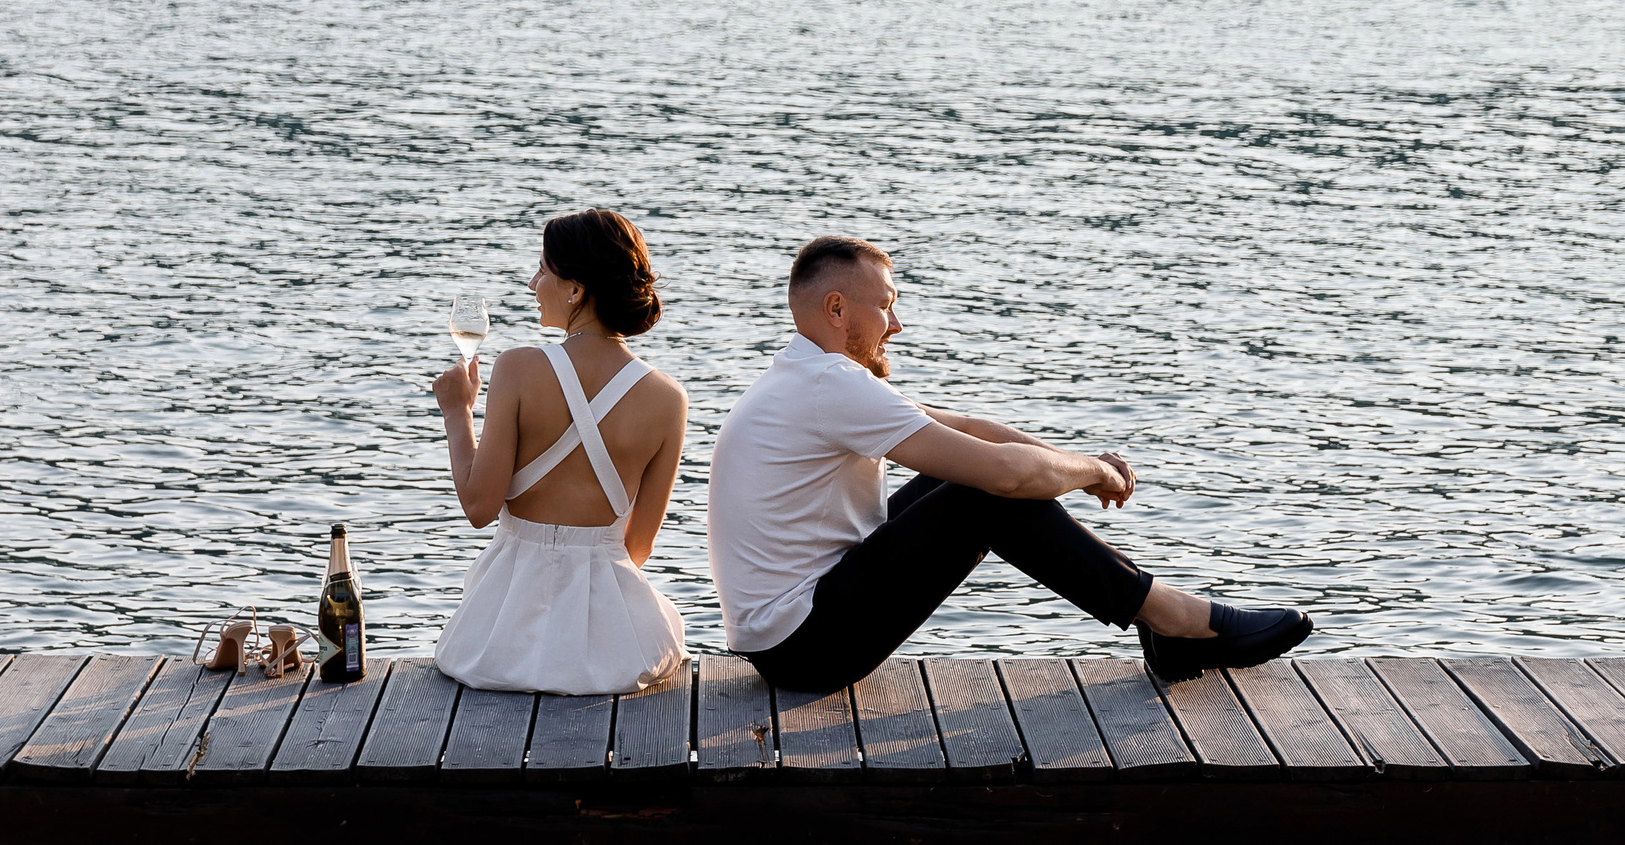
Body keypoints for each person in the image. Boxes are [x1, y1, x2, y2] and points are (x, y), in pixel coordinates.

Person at [707, 235, 1311, 693]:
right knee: (984, 493)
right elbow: (1004, 475)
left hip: (794, 631)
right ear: (837, 310)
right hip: (807, 649)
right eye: (886, 306)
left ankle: (1163, 623)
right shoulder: (829, 385)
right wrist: (1091, 473)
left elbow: (965, 430)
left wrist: (1078, 461)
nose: (897, 323)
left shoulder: (806, 377)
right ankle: (1173, 618)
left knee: (960, 472)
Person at [429, 209, 690, 695]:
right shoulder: (668, 398)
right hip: (612, 643)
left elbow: (478, 508)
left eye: (543, 270)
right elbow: (638, 547)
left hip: (500, 631)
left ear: (576, 289)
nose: (533, 283)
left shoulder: (518, 368)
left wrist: (456, 410)